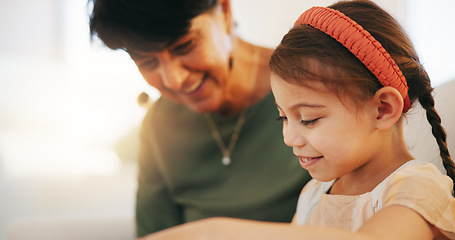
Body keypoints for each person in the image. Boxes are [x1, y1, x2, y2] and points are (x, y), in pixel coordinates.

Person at [137, 1, 455, 239]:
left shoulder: (417, 188)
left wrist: (217, 231)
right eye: (282, 118)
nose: (289, 137)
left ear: (383, 109)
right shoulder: (315, 193)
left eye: (308, 119)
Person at [88, 0, 312, 237]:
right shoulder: (159, 124)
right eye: (147, 62)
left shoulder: (312, 89)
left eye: (184, 46)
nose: (174, 80)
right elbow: (152, 231)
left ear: (224, 11)